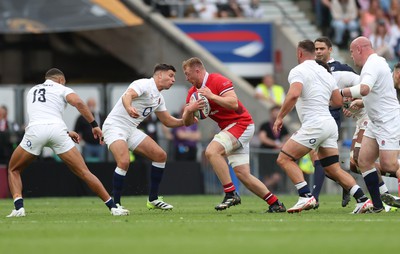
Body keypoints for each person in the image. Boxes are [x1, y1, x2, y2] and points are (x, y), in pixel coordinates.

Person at [6, 68, 129, 217]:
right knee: (84, 172)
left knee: (14, 169)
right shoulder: (61, 88)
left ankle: (19, 208)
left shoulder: (33, 90)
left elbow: (43, 116)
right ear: (60, 80)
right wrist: (95, 125)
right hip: (57, 132)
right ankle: (113, 207)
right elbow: (78, 103)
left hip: (35, 131)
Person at [273, 40, 373, 214]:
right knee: (332, 168)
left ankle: (305, 195)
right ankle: (363, 200)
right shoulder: (326, 72)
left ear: (299, 53)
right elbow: (337, 101)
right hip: (329, 124)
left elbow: (293, 94)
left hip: (314, 124)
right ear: (314, 52)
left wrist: (280, 117)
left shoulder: (298, 70)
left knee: (284, 158)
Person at [182, 57, 286, 213]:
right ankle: (275, 203)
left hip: (241, 123)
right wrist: (190, 110)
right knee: (243, 175)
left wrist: (212, 96)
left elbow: (234, 103)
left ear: (197, 71)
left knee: (211, 151)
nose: (186, 78)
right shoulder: (193, 93)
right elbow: (188, 122)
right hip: (230, 129)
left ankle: (230, 193)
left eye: (187, 73)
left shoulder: (217, 80)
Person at [102, 63, 185, 211]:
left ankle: (153, 199)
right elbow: (128, 95)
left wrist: (185, 121)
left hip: (130, 129)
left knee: (160, 155)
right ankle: (116, 204)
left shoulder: (159, 98)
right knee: (124, 161)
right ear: (160, 75)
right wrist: (128, 107)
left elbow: (167, 121)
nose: (173, 80)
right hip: (114, 126)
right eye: (170, 75)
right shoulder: (144, 84)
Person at [341, 36, 400, 212]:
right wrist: (359, 101)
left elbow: (365, 89)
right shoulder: (375, 63)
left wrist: (340, 92)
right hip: (376, 121)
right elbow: (374, 93)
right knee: (363, 160)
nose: (351, 56)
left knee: (389, 165)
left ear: (359, 49)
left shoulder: (372, 64)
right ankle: (377, 205)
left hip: (388, 120)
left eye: (352, 52)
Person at [313, 36, 356, 208]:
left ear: (330, 49)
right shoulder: (312, 67)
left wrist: (350, 104)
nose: (318, 52)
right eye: (316, 49)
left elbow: (359, 86)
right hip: (314, 116)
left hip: (331, 117)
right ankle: (347, 183)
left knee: (318, 157)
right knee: (325, 163)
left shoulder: (341, 68)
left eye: (321, 48)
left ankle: (313, 198)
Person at [74, 98, 106, 162]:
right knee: (87, 164)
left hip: (100, 145)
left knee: (102, 164)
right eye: (89, 104)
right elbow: (76, 131)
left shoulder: (101, 116)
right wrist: (82, 142)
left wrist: (104, 140)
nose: (91, 106)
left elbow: (106, 129)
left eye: (92, 104)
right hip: (87, 145)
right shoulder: (81, 117)